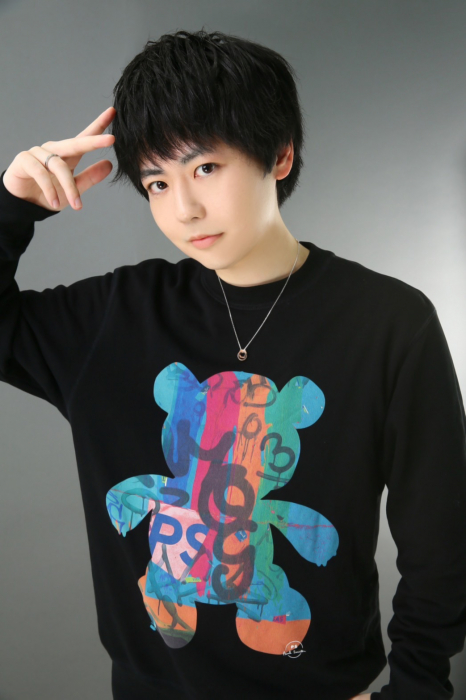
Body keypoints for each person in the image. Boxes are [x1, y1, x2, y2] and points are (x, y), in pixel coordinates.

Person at [1, 27, 465, 700]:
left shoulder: (389, 322)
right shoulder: (117, 317)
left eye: (205, 169)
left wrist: (416, 690)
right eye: (157, 182)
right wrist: (10, 207)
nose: (184, 209)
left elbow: (443, 538)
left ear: (280, 155)